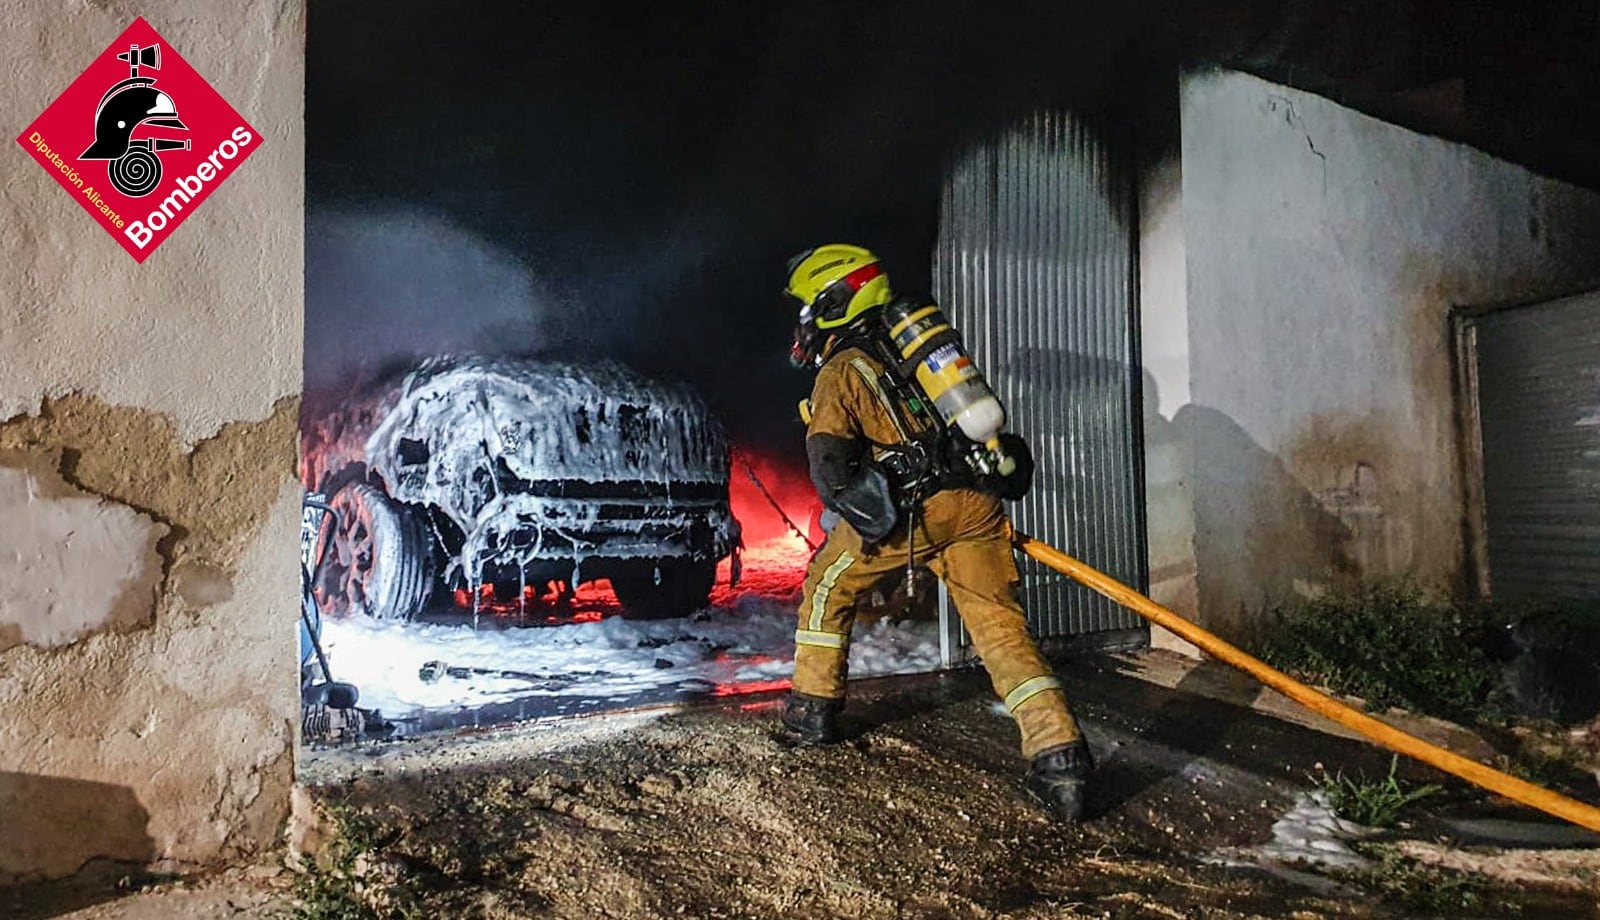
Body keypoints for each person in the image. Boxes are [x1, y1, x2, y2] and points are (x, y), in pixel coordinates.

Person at [779, 243, 1095, 820]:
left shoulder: (844, 369)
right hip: (976, 506)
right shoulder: (924, 348)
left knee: (828, 585)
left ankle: (811, 714)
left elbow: (832, 473)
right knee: (1000, 628)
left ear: (833, 301)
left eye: (807, 308)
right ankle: (1061, 761)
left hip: (916, 515)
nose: (803, 323)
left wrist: (872, 513)